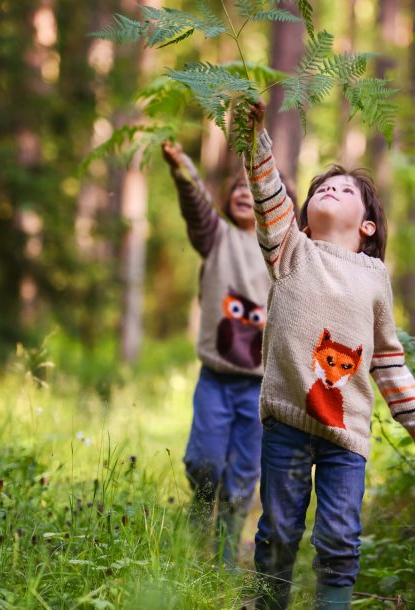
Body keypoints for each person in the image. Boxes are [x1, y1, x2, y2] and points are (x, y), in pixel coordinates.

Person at [233, 104, 415, 609]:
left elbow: (387, 360)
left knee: (340, 538)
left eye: (345, 189)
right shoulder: (290, 249)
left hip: (346, 435)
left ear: (367, 226)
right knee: (279, 531)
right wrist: (255, 136)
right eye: (321, 189)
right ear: (303, 215)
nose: (329, 190)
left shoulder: (375, 279)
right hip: (287, 419)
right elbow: (267, 193)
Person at [162, 140, 270, 565]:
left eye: (254, 186)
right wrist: (182, 168)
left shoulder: (281, 253)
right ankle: (194, 530)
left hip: (259, 387)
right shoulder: (216, 237)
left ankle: (224, 558)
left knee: (243, 477)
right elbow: (196, 206)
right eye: (237, 187)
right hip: (216, 378)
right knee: (205, 464)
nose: (245, 191)